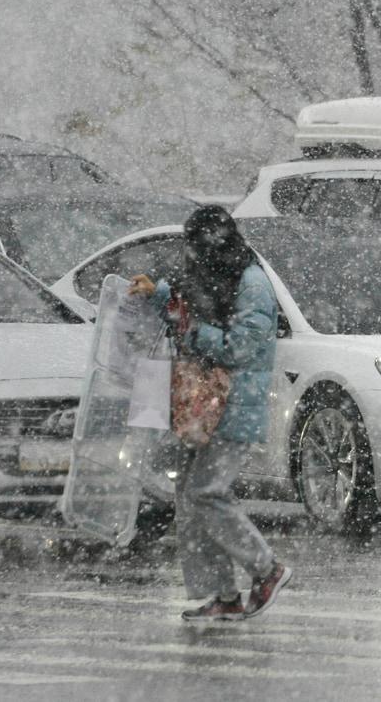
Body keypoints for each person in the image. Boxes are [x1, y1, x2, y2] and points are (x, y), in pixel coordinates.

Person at [128, 205, 292, 623]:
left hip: (233, 406)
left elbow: (240, 347)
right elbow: (191, 303)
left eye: (201, 247)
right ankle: (223, 594)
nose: (195, 256)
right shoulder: (218, 275)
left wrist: (192, 331)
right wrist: (160, 295)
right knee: (190, 495)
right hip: (202, 406)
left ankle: (266, 569)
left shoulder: (251, 284)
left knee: (206, 491)